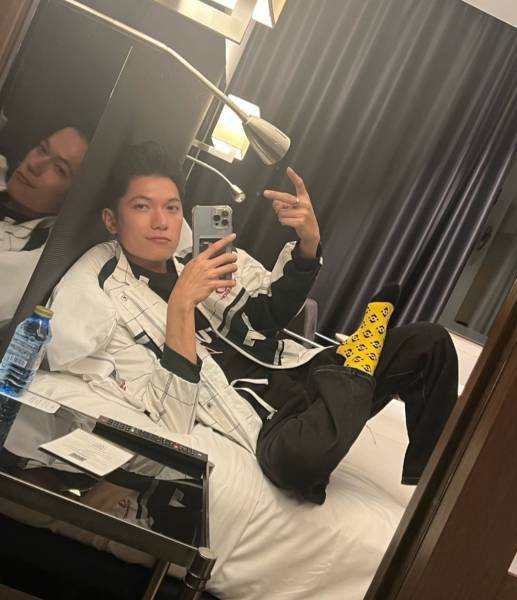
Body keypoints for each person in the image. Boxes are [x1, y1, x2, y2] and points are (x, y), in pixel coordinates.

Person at [46, 141, 458, 504]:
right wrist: (181, 305)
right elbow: (171, 416)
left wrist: (308, 243)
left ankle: (427, 487)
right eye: (141, 206)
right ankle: (358, 363)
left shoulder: (201, 257)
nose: (161, 221)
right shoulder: (111, 305)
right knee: (297, 464)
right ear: (111, 220)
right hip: (269, 414)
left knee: (431, 342)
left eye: (171, 207)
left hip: (297, 370)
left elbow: (268, 314)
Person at [0, 126, 89, 324]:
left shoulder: (32, 265)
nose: (34, 165)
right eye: (42, 149)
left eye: (59, 169)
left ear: (75, 197)